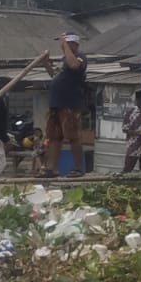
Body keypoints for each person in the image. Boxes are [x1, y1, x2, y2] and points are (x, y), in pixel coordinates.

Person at [41, 32, 89, 178]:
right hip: (56, 103)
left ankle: (77, 168)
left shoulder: (80, 57)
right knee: (54, 137)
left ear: (73, 44)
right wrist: (45, 63)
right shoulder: (64, 60)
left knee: (73, 136)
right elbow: (55, 76)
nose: (63, 47)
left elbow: (74, 65)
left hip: (70, 103)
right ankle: (51, 168)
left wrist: (65, 46)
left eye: (66, 44)